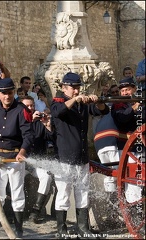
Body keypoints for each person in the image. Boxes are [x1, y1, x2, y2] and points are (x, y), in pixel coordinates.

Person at [50, 72, 109, 239]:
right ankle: (61, 229)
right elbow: (58, 112)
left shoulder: (81, 104)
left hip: (82, 156)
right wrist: (75, 100)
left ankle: (83, 227)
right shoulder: (58, 101)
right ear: (63, 87)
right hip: (65, 157)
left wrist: (98, 100)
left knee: (82, 192)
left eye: (78, 88)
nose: (76, 91)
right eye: (73, 88)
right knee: (63, 193)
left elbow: (102, 111)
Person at [0, 78, 35, 239]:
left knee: (17, 194)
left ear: (14, 93)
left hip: (15, 158)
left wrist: (22, 152)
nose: (8, 96)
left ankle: (18, 231)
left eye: (10, 93)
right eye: (4, 93)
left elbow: (28, 135)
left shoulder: (21, 110)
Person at [20, 96, 55, 224]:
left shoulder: (38, 123)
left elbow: (50, 138)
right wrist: (29, 121)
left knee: (47, 177)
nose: (31, 108)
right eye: (27, 106)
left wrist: (47, 126)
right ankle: (14, 212)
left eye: (32, 105)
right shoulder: (18, 121)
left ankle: (36, 211)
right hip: (20, 161)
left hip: (36, 162)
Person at [111, 77, 145, 204]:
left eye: (127, 90)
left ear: (134, 89)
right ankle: (135, 212)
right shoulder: (118, 105)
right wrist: (134, 108)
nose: (125, 93)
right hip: (127, 150)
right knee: (133, 183)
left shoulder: (142, 103)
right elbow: (122, 118)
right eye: (123, 90)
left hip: (142, 149)